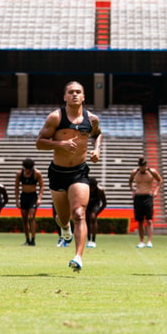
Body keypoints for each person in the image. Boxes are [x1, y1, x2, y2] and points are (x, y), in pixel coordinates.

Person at [36, 81, 102, 272]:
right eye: (71, 92)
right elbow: (39, 143)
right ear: (64, 97)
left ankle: (78, 257)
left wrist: (96, 150)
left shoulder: (92, 119)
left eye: (78, 92)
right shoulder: (55, 117)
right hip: (58, 172)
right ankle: (65, 228)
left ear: (83, 97)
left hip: (79, 172)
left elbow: (97, 135)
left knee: (79, 214)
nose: (74, 95)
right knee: (63, 218)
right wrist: (61, 144)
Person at [128, 156, 162, 248]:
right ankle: (141, 241)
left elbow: (160, 180)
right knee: (140, 221)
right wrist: (133, 190)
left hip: (148, 196)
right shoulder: (135, 172)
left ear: (146, 165)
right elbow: (130, 181)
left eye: (144, 166)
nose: (143, 168)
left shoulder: (152, 172)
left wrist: (156, 191)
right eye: (141, 166)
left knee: (149, 220)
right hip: (138, 197)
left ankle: (150, 241)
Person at [14, 158, 43, 246]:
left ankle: (33, 239)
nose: (27, 171)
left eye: (29, 169)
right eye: (26, 169)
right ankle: (27, 240)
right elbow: (16, 187)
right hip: (24, 196)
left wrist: (39, 198)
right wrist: (17, 200)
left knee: (31, 217)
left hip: (32, 197)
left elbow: (42, 186)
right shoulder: (20, 173)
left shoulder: (37, 173)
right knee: (24, 219)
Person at [86, 177, 107, 248]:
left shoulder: (100, 191)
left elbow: (104, 203)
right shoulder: (85, 190)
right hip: (87, 204)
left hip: (95, 204)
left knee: (93, 217)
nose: (91, 190)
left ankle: (93, 240)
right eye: (90, 188)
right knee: (87, 220)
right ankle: (89, 240)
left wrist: (97, 213)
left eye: (93, 188)